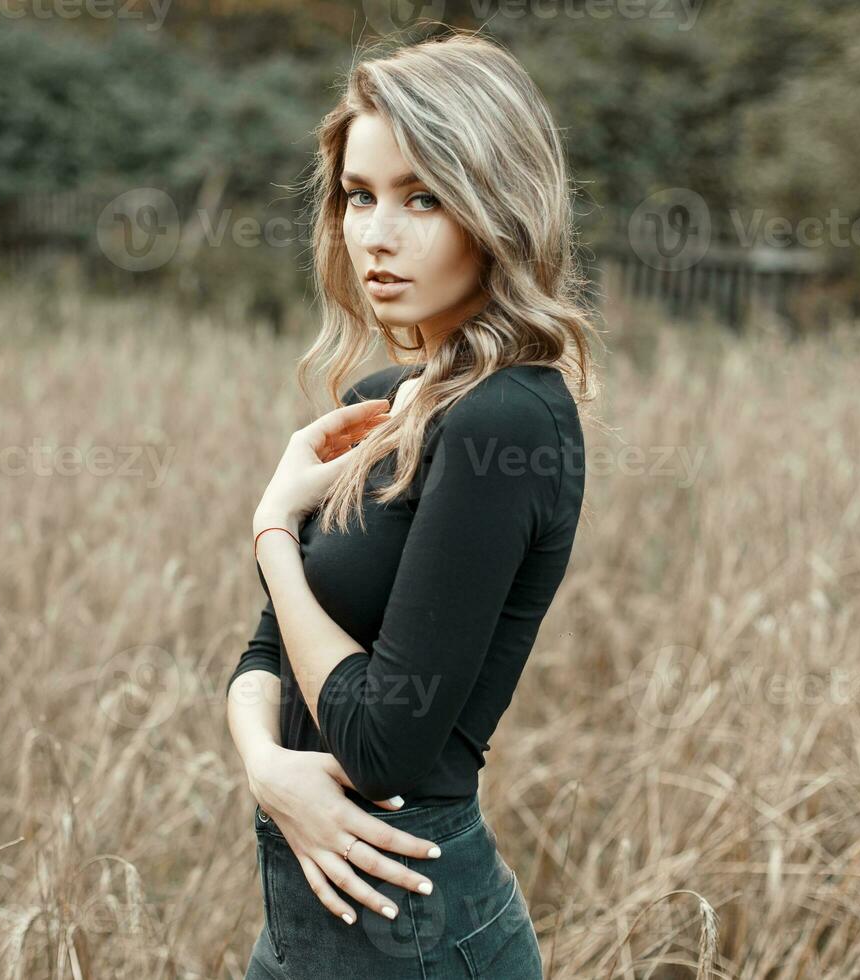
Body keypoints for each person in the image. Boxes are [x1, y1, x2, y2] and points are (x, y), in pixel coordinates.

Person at [225, 29, 602, 979]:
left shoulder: (506, 419)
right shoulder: (373, 406)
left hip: (417, 941)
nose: (376, 234)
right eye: (360, 196)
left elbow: (384, 741)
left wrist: (273, 528)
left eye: (422, 197)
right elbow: (268, 651)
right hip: (301, 933)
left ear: (497, 208)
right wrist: (268, 774)